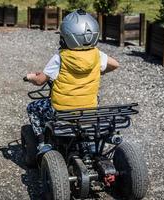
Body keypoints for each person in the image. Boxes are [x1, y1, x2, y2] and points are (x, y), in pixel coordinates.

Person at [26, 9, 119, 154]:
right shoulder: (97, 55)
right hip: (89, 111)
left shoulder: (60, 58)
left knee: (32, 108)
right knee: (95, 98)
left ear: (67, 37)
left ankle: (42, 143)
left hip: (62, 112)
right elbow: (115, 64)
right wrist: (99, 71)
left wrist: (31, 76)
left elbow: (40, 81)